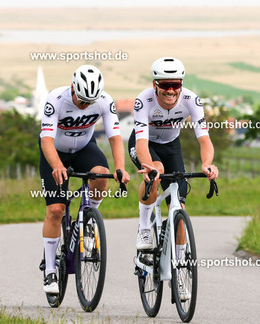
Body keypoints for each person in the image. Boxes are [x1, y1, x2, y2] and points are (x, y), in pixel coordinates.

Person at [128, 57, 219, 300]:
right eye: (165, 85)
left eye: (175, 85)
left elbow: (204, 139)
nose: (171, 90)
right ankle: (144, 229)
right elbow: (141, 142)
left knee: (180, 210)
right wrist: (150, 168)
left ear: (181, 85)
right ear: (155, 84)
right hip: (145, 144)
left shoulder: (191, 100)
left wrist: (207, 164)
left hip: (171, 146)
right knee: (156, 172)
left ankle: (178, 270)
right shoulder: (143, 100)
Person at [39, 64, 129, 294]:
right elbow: (46, 140)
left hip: (84, 148)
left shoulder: (104, 101)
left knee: (101, 174)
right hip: (55, 152)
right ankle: (50, 270)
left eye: (91, 102)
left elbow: (115, 137)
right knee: (56, 210)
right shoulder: (55, 99)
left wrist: (120, 168)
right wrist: (57, 165)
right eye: (82, 101)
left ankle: (88, 221)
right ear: (73, 88)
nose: (86, 105)